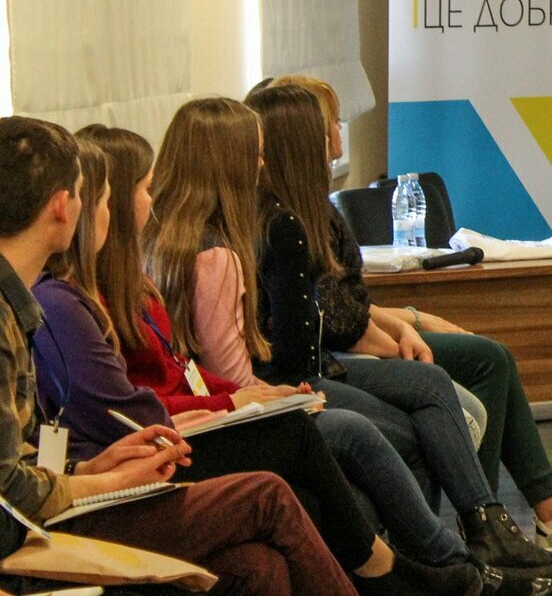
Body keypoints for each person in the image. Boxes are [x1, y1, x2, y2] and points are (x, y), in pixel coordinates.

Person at [30, 133, 512, 596]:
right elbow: (131, 411)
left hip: (169, 432)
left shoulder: (126, 285)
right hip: (138, 456)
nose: (148, 203)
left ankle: (438, 558)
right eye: (140, 190)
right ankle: (413, 565)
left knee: (268, 550)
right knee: (320, 436)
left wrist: (243, 397)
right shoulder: (66, 302)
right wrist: (236, 402)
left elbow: (183, 370)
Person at [146, 96, 552, 581]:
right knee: (419, 414)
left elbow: (334, 312)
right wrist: (394, 333)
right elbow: (277, 355)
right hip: (259, 394)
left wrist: (401, 324)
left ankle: (470, 548)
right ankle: (447, 564)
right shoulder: (240, 243)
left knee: (449, 378)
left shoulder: (186, 239)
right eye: (256, 155)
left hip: (253, 391)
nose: (338, 134)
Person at [269, 73, 552, 568]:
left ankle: (524, 521)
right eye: (332, 121)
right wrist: (401, 340)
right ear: (306, 135)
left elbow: (346, 301)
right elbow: (339, 321)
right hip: (335, 359)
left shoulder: (316, 205)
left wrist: (411, 320)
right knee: (483, 363)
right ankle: (496, 525)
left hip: (352, 344)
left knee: (490, 357)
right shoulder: (287, 220)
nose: (340, 130)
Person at [0, 115, 360, 596]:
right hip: (27, 537)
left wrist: (87, 469)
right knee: (269, 492)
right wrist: (107, 481)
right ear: (62, 206)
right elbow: (13, 495)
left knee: (257, 565)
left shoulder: (23, 303)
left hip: (52, 499)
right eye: (91, 195)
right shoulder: (30, 309)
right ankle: (384, 569)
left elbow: (24, 459)